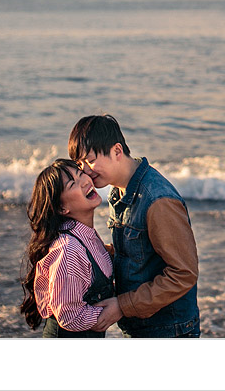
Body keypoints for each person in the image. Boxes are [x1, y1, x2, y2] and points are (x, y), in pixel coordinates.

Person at [68, 114, 201, 338]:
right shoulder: (119, 188)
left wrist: (123, 306)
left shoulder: (159, 200)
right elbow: (135, 252)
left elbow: (184, 273)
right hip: (142, 326)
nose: (85, 171)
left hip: (170, 330)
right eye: (79, 164)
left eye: (89, 160)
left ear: (117, 151)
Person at [20, 158, 114, 337]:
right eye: (73, 184)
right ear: (62, 208)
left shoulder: (87, 235)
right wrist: (113, 311)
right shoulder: (68, 250)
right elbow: (68, 314)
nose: (85, 181)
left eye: (81, 174)